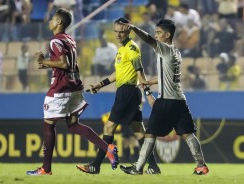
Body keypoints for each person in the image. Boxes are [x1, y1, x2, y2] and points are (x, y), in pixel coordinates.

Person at [26, 8, 119, 176]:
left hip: (61, 89)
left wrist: (43, 60)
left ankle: (46, 168)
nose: (49, 21)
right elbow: (67, 64)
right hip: (75, 87)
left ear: (59, 23)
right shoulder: (69, 39)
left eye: (52, 19)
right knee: (73, 125)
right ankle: (108, 148)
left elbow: (64, 63)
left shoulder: (55, 41)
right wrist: (48, 64)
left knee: (48, 124)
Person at [119, 19, 209, 175]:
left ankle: (138, 168)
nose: (156, 35)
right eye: (156, 32)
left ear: (167, 35)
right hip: (179, 100)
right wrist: (149, 82)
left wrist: (134, 28)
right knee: (188, 134)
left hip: (166, 100)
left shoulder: (165, 49)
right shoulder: (176, 52)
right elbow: (166, 77)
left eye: (159, 33)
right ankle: (201, 165)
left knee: (150, 134)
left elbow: (148, 39)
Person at [76, 17, 160, 175]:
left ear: (128, 31)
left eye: (122, 31)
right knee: (138, 131)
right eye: (116, 31)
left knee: (109, 127)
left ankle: (95, 165)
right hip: (128, 92)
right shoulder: (121, 49)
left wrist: (148, 94)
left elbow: (139, 71)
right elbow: (118, 73)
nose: (118, 34)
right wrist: (100, 84)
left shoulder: (132, 48)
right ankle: (153, 166)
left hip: (127, 92)